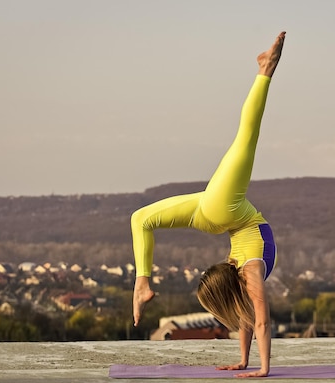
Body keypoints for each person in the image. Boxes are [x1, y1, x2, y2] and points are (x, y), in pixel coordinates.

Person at [131, 31, 286, 378]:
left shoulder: (248, 272)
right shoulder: (248, 275)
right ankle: (141, 283)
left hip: (222, 211)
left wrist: (263, 369)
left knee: (246, 138)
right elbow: (254, 318)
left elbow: (260, 320)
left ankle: (265, 71)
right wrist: (249, 363)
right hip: (217, 213)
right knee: (140, 218)